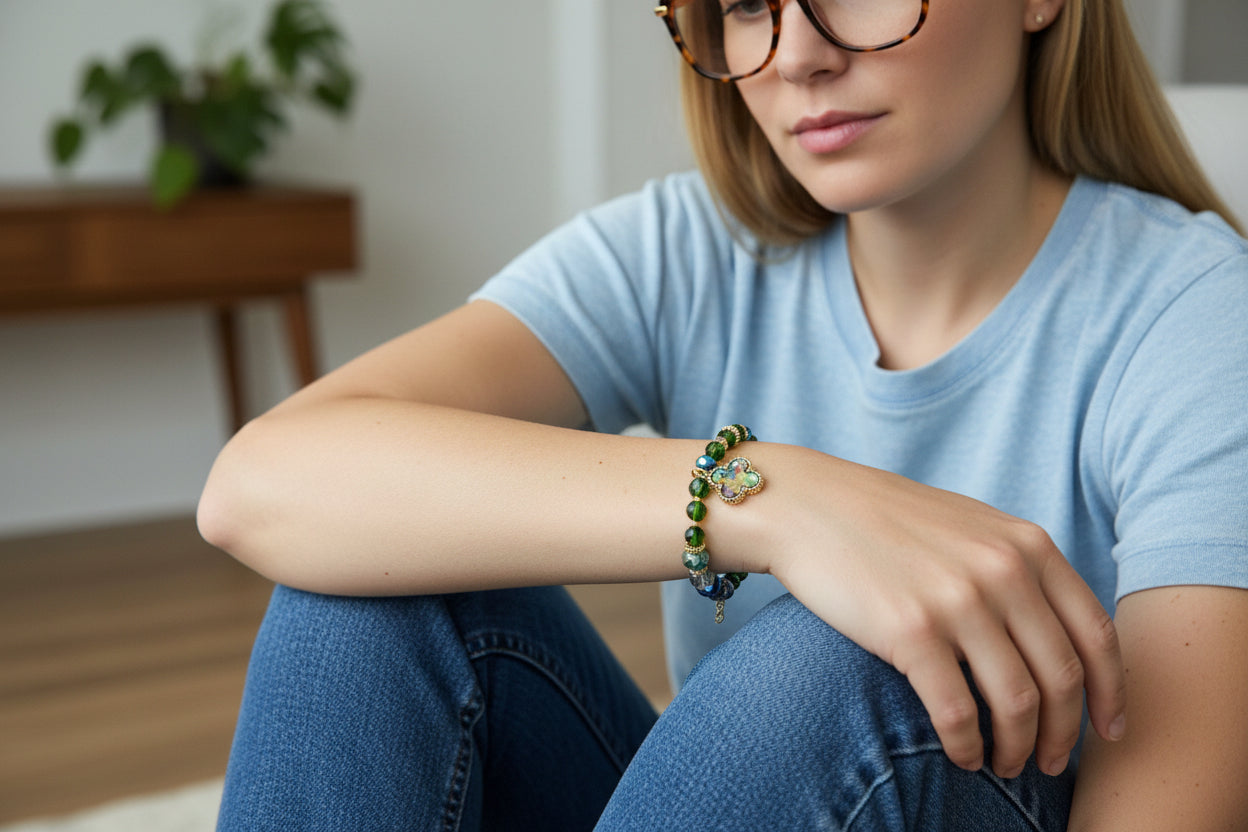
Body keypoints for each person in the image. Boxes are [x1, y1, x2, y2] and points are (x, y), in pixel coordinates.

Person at [198, 0, 1248, 828]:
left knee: (836, 659)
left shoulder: (1201, 315)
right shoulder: (691, 254)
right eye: (747, 2)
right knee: (369, 596)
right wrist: (778, 500)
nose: (796, 56)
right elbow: (259, 482)